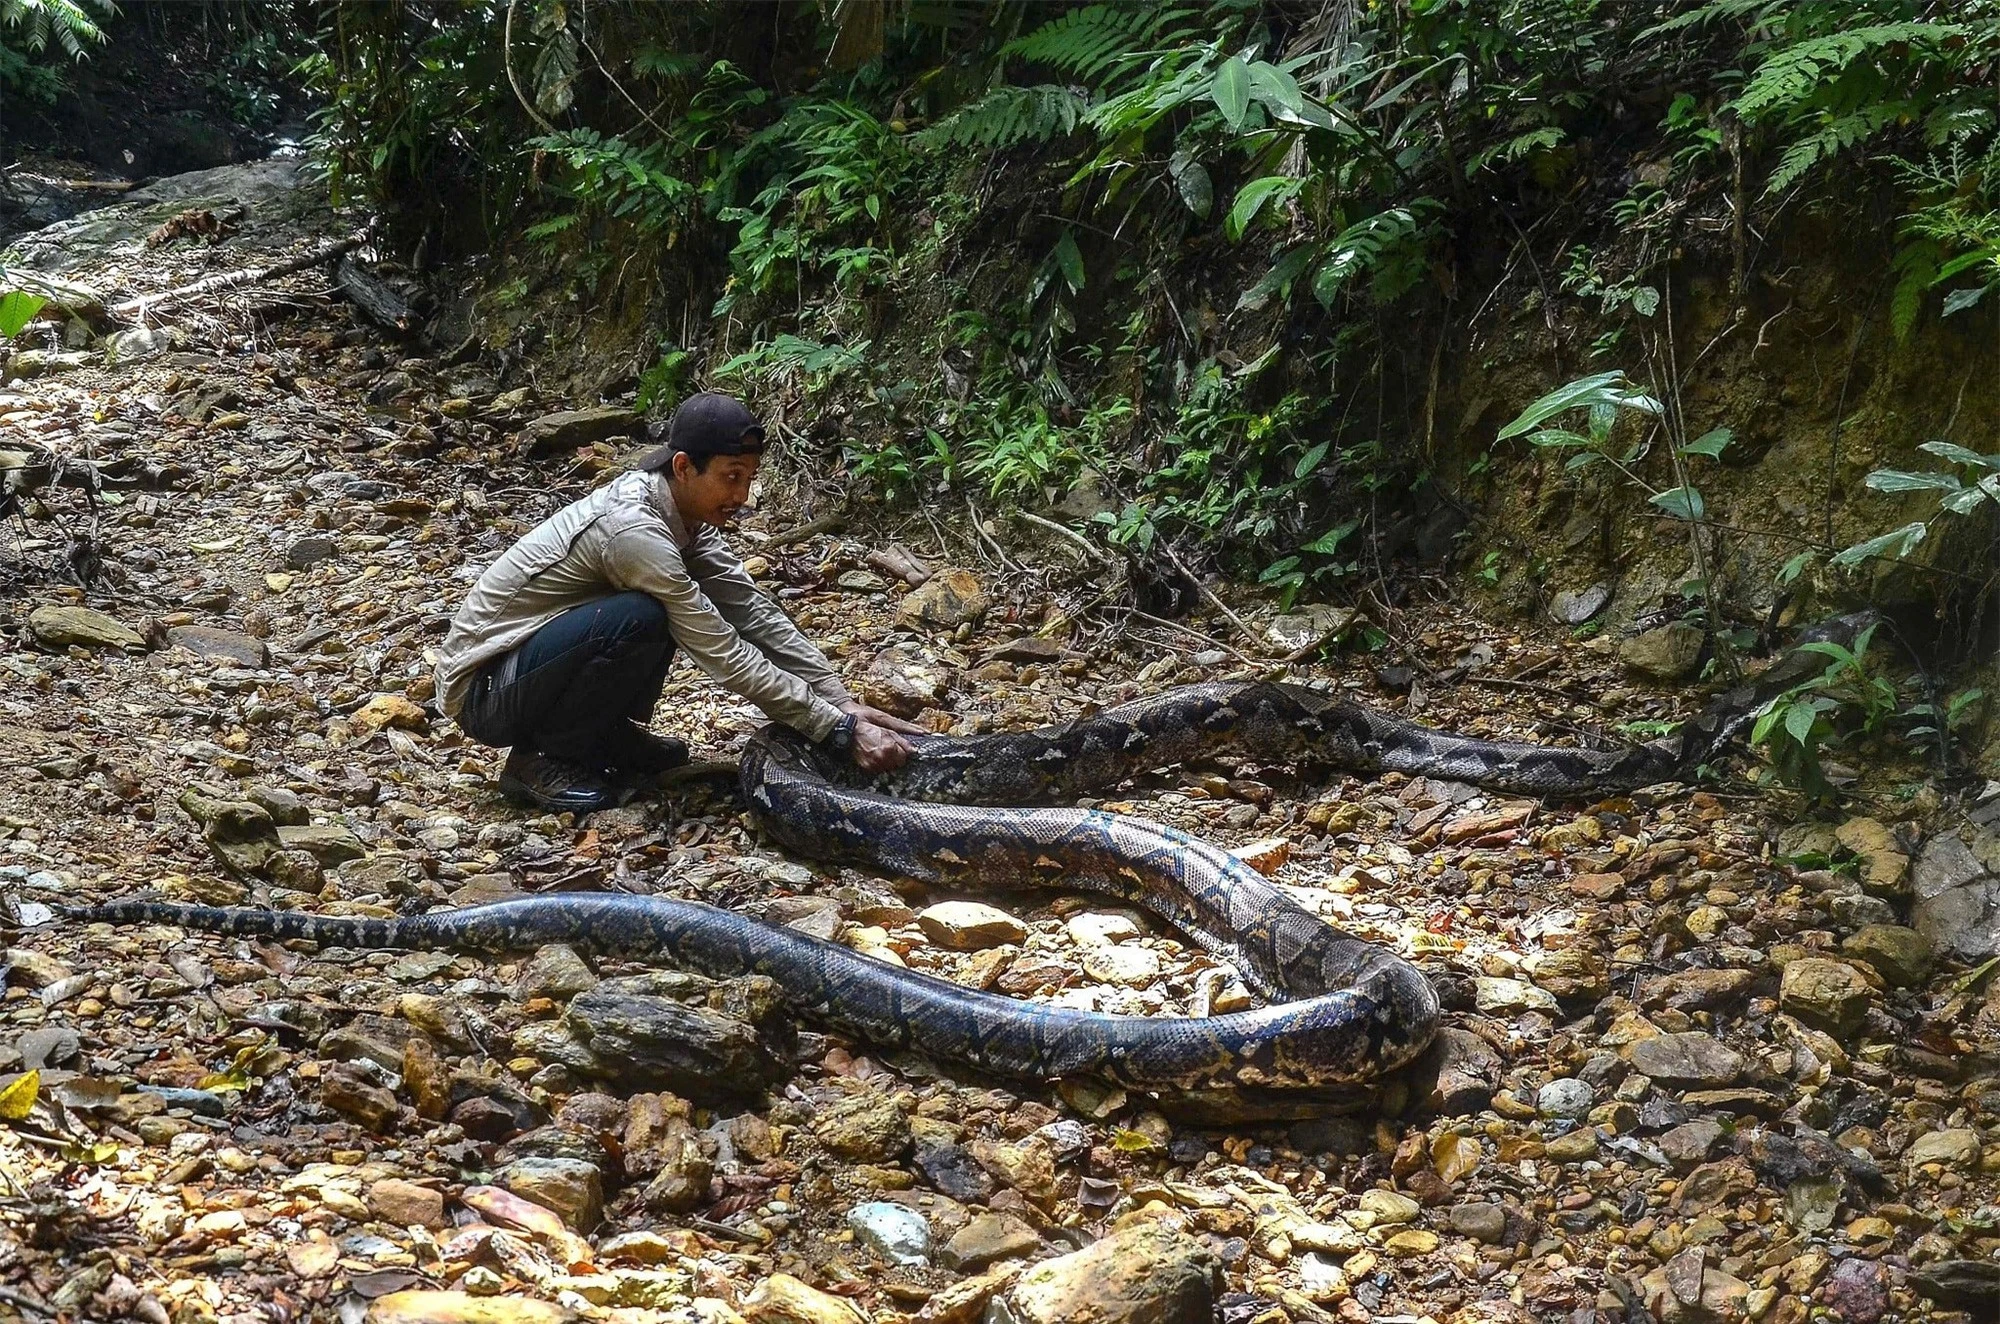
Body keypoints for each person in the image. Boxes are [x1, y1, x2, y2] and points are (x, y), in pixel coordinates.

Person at [433, 391, 920, 813]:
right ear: (684, 467)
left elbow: (751, 611)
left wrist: (838, 699)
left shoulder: (685, 519)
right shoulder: (633, 532)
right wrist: (834, 729)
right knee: (641, 616)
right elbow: (721, 650)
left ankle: (600, 736)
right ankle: (540, 759)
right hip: (484, 689)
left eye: (749, 478)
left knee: (647, 614)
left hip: (527, 669)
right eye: (731, 477)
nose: (742, 495)